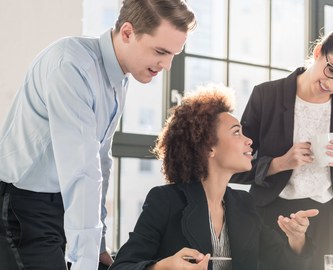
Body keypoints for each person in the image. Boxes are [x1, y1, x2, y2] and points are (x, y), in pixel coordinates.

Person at [0, 0, 196, 269]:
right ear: (127, 33)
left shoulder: (118, 77)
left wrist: (99, 243)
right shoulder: (72, 66)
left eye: (174, 54)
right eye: (161, 51)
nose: (167, 65)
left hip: (58, 202)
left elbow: (100, 160)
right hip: (22, 202)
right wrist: (86, 261)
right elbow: (83, 169)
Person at [109, 85, 319, 270]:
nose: (249, 141)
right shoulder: (165, 201)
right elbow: (122, 266)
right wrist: (163, 267)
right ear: (209, 147)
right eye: (237, 132)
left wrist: (296, 237)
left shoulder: (244, 204)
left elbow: (284, 264)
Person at [230, 17, 333, 270]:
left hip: (329, 220)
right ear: (318, 52)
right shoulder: (267, 96)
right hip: (273, 217)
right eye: (331, 70)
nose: (332, 84)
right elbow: (235, 165)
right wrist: (280, 163)